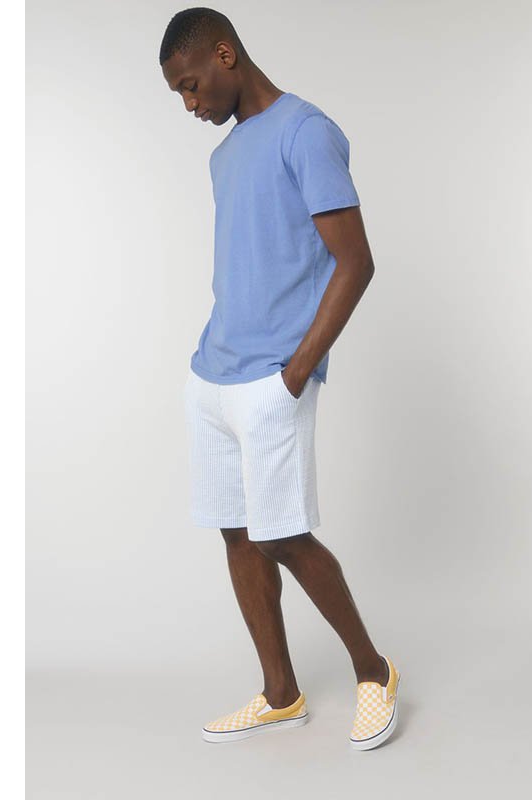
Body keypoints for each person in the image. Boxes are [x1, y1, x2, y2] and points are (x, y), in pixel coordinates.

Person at [160, 8, 400, 751]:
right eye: (179, 94)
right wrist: (207, 372)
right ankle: (281, 694)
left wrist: (296, 372)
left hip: (272, 379)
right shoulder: (224, 157)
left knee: (284, 536)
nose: (190, 104)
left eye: (192, 85)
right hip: (212, 376)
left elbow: (355, 262)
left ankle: (373, 671)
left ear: (225, 55)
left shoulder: (306, 132)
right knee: (237, 534)